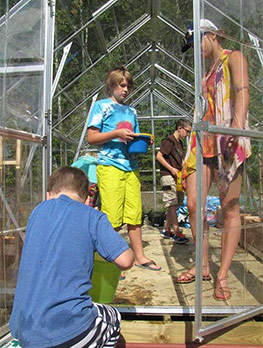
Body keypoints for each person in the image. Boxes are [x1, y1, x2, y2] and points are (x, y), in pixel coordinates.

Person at [9, 166, 134, 348]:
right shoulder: (92, 216)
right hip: (66, 331)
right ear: (88, 200)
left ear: (48, 194)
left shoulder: (36, 212)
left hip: (23, 330)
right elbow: (125, 261)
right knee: (113, 317)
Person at [176, 19, 251, 301]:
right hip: (204, 141)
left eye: (197, 44)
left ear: (210, 36)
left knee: (230, 208)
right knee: (194, 203)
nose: (196, 51)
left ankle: (222, 275)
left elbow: (243, 91)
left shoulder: (234, 57)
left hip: (227, 137)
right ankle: (204, 265)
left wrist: (236, 127)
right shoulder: (206, 71)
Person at [87, 67, 161, 275]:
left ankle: (139, 256)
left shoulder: (131, 111)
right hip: (110, 166)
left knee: (134, 214)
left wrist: (143, 140)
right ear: (111, 86)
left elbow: (133, 138)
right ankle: (110, 258)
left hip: (131, 168)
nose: (126, 89)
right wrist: (116, 133)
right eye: (122, 85)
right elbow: (91, 138)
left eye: (128, 86)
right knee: (111, 216)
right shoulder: (102, 106)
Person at [156, 119, 192, 244]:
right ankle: (176, 232)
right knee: (172, 203)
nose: (187, 134)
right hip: (167, 176)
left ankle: (166, 230)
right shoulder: (169, 141)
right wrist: (171, 169)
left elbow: (181, 161)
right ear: (180, 128)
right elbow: (159, 156)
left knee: (174, 204)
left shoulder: (179, 143)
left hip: (176, 177)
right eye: (187, 131)